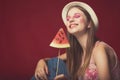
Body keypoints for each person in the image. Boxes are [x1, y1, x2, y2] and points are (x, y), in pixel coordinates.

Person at [34, 1, 120, 80]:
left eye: (77, 16)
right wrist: (40, 62)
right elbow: (51, 60)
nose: (70, 20)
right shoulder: (77, 53)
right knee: (54, 63)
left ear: (89, 23)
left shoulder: (99, 50)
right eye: (68, 19)